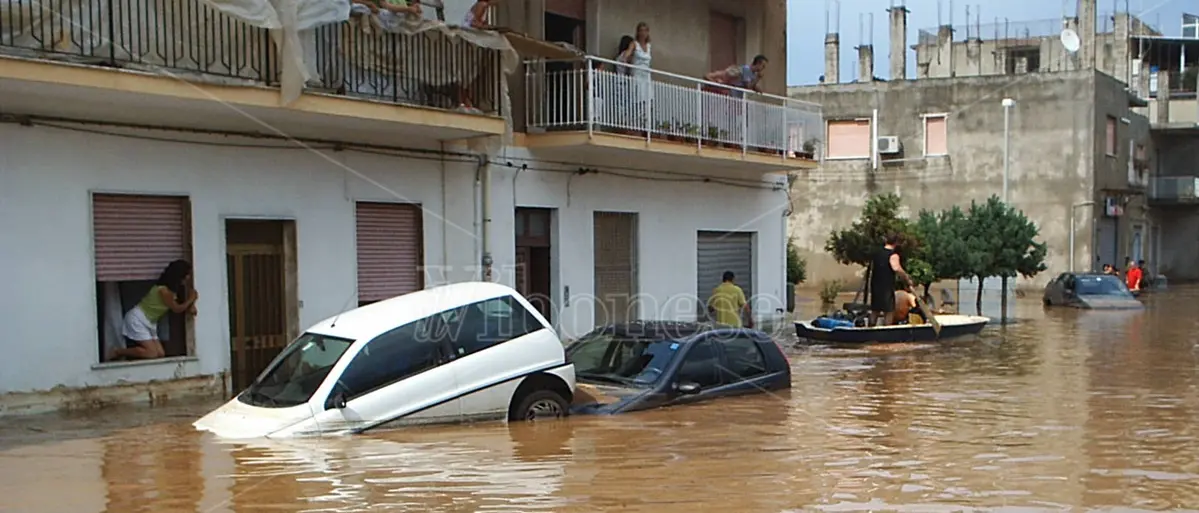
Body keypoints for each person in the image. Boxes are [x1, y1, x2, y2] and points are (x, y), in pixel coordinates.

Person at [110, 259, 198, 361]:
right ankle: (118, 351)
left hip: (150, 321)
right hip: (138, 319)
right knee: (151, 353)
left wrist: (191, 304)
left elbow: (186, 299)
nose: (188, 277)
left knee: (160, 353)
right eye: (186, 274)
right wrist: (191, 299)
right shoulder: (163, 291)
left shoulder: (172, 289)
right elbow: (176, 308)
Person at [868, 232, 914, 327]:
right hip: (886, 286)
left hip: (875, 284)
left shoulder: (877, 254)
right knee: (889, 310)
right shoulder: (893, 255)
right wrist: (906, 278)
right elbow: (896, 268)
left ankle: (870, 328)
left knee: (875, 309)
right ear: (896, 243)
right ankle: (887, 329)